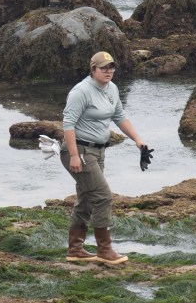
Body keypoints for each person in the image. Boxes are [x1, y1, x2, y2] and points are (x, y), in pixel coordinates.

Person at [60, 51, 148, 266]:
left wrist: (138, 140)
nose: (108, 71)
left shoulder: (112, 89)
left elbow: (119, 116)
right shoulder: (81, 92)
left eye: (111, 67)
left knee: (87, 199)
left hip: (98, 151)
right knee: (103, 196)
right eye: (103, 68)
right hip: (79, 151)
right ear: (93, 70)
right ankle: (104, 250)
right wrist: (73, 156)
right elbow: (68, 124)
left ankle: (75, 249)